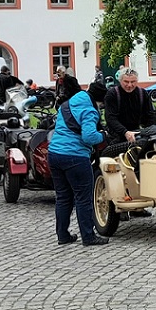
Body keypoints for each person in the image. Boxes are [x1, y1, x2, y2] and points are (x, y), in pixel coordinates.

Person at [48, 87, 108, 246]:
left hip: (54, 154)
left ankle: (63, 235)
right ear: (99, 101)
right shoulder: (89, 111)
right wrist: (103, 135)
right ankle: (88, 237)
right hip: (75, 157)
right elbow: (89, 137)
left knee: (63, 197)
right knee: (83, 198)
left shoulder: (67, 104)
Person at [103, 68, 156, 144]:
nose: (129, 85)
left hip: (136, 132)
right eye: (126, 82)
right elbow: (110, 118)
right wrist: (125, 132)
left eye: (133, 82)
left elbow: (150, 116)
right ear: (120, 81)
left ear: (137, 81)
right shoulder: (112, 94)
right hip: (115, 135)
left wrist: (153, 132)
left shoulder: (142, 94)